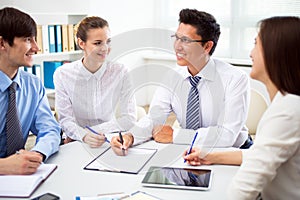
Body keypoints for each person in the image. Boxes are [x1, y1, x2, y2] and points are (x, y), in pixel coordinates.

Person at [184, 16, 300, 199]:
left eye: (256, 44)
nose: (251, 54)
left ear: (275, 52)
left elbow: (242, 191)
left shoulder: (287, 112)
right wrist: (211, 156)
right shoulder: (287, 104)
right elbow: (259, 154)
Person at [111, 9, 251, 151]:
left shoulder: (235, 79)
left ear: (207, 46)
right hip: (188, 150)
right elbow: (154, 118)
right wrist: (131, 136)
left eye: (185, 40)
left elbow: (226, 135)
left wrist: (177, 136)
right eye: (176, 38)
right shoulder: (172, 77)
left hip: (232, 151)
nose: (177, 46)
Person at [53, 16, 136, 148]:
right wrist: (83, 136)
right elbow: (66, 120)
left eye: (108, 41)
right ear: (81, 43)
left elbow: (129, 119)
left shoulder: (121, 71)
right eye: (98, 43)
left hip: (110, 138)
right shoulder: (63, 74)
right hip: (76, 141)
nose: (105, 48)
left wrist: (91, 132)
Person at [0, 7, 61, 175]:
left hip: (22, 180)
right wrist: (4, 166)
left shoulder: (33, 85)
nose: (36, 48)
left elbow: (50, 129)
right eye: (28, 39)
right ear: (2, 43)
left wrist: (37, 153)